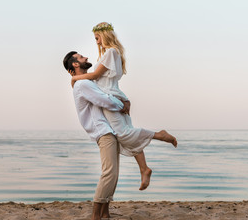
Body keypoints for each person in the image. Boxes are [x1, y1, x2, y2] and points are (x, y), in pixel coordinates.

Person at [71, 22, 178, 191]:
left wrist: (74, 79)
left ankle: (159, 135)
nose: (97, 42)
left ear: (104, 36)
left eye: (97, 38)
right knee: (125, 133)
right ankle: (144, 169)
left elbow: (97, 75)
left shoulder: (111, 52)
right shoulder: (111, 54)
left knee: (123, 133)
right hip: (114, 95)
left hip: (111, 97)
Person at [63, 51, 130, 220]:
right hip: (103, 131)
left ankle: (105, 212)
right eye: (81, 57)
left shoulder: (86, 82)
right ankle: (95, 216)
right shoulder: (82, 85)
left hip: (109, 130)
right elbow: (104, 100)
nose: (86, 57)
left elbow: (107, 94)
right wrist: (122, 105)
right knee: (108, 173)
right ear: (75, 64)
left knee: (113, 173)